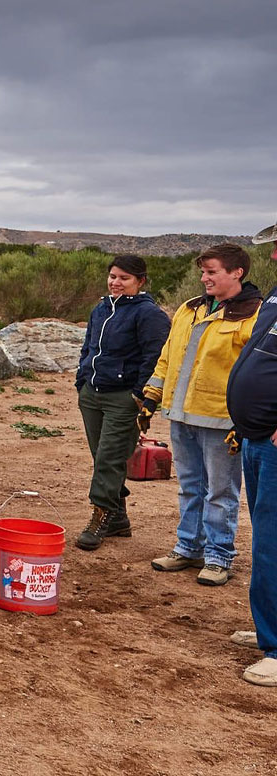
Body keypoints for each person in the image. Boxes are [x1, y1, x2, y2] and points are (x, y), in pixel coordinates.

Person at [144, 243, 262, 587]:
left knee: (221, 492)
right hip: (181, 416)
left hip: (222, 421)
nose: (204, 278)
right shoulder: (189, 308)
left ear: (236, 272)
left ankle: (218, 557)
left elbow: (255, 372)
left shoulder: (252, 314)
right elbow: (169, 354)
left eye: (212, 272)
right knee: (190, 487)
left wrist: (243, 420)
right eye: (203, 272)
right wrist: (151, 397)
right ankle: (188, 547)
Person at [71, 255, 171, 550]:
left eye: (124, 278)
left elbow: (154, 356)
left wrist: (139, 394)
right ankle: (118, 518)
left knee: (109, 458)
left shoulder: (148, 314)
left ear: (140, 281)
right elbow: (88, 346)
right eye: (112, 276)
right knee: (102, 456)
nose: (115, 282)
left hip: (123, 397)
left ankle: (101, 516)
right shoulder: (101, 309)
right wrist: (82, 379)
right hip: (92, 394)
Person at [227, 220, 277, 683]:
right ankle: (269, 629)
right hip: (257, 437)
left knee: (274, 543)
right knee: (264, 538)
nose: (276, 254)